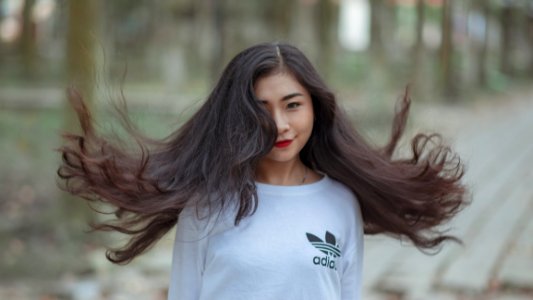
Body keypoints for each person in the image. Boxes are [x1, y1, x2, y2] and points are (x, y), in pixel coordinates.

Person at [58, 42, 467, 300]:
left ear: (315, 107)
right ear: (237, 116)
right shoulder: (205, 205)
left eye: (292, 105)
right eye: (260, 109)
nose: (280, 125)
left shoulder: (341, 203)